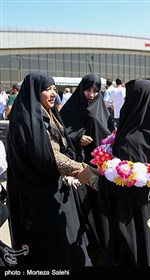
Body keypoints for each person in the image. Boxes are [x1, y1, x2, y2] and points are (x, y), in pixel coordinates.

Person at [6, 71, 97, 267]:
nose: (53, 93)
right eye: (47, 89)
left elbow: (61, 144)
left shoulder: (46, 113)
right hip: (36, 196)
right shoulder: (27, 120)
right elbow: (48, 156)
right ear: (35, 91)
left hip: (52, 187)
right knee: (48, 248)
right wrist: (81, 170)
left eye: (55, 89)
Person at [96, 79, 150, 266]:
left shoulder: (130, 142)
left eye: (129, 100)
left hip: (133, 223)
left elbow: (116, 192)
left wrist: (95, 178)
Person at [60, 73, 115, 266]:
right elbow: (62, 134)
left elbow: (109, 135)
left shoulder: (103, 109)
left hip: (99, 168)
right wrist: (78, 137)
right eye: (88, 89)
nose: (91, 94)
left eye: (95, 90)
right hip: (79, 169)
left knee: (101, 212)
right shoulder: (70, 108)